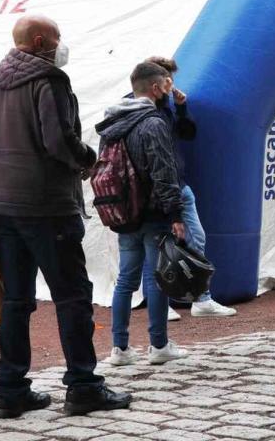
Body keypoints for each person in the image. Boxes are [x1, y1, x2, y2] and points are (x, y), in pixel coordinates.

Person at [0, 15, 131, 418]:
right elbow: (58, 139)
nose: (62, 46)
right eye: (58, 38)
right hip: (44, 204)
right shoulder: (49, 79)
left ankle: (10, 391)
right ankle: (83, 386)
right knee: (72, 296)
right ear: (41, 40)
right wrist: (87, 160)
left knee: (15, 299)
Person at [97, 61, 190, 367]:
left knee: (125, 279)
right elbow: (164, 173)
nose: (169, 88)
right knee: (157, 277)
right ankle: (158, 345)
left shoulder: (111, 123)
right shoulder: (153, 123)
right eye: (165, 84)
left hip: (122, 212)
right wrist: (175, 214)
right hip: (152, 212)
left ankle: (119, 348)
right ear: (154, 88)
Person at [143, 56, 236, 318]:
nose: (171, 85)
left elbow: (187, 134)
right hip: (157, 190)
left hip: (179, 185)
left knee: (196, 238)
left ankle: (201, 298)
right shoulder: (142, 108)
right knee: (157, 246)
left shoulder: (167, 106)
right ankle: (161, 303)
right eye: (167, 80)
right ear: (156, 82)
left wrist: (182, 107)